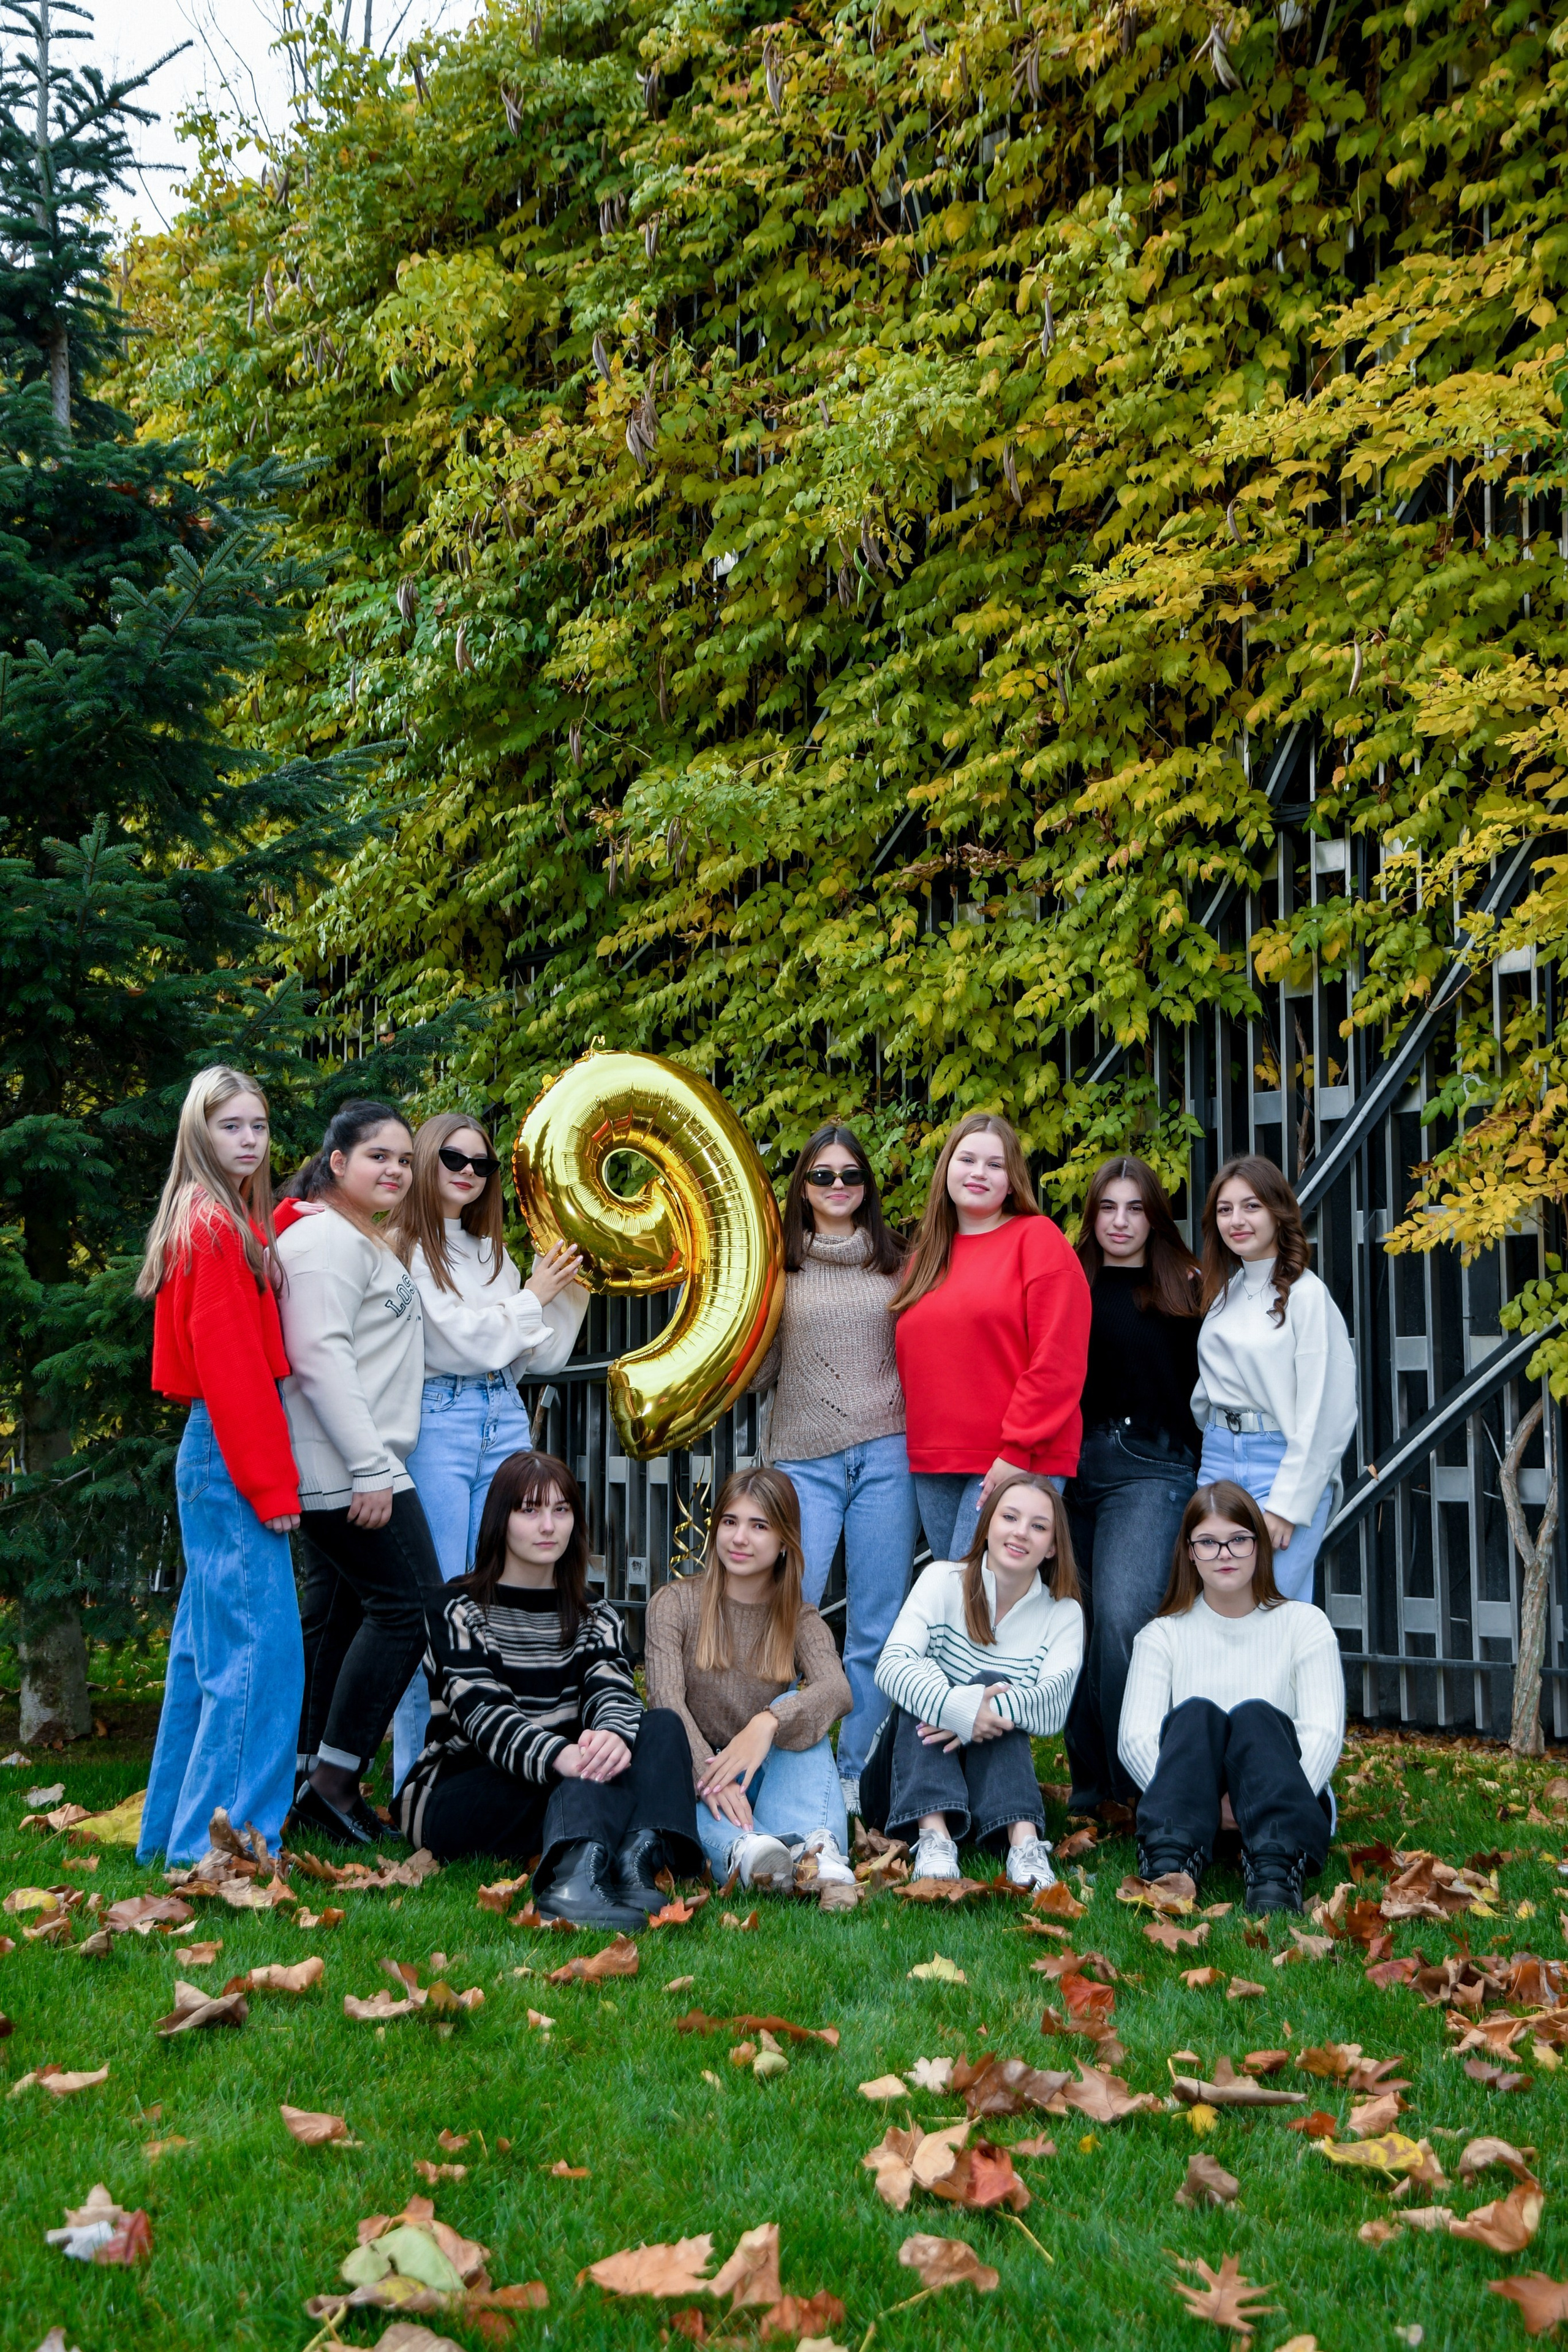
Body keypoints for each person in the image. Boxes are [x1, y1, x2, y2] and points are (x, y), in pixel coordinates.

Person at [398, 1450, 702, 1925]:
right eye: (530, 1510)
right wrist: (565, 1757)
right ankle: (572, 1881)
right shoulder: (455, 1607)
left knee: (660, 1727)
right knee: (588, 1771)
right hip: (464, 1789)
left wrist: (613, 1738)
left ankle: (634, 1864)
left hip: (572, 1776)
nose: (548, 1526)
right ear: (501, 1519)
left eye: (561, 1510)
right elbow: (484, 1715)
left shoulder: (595, 1615)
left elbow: (614, 1690)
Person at [385, 1112, 590, 1792]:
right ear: (424, 1160)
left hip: (504, 1414)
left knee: (502, 1598)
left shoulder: (491, 1254)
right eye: (454, 1158)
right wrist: (532, 1299)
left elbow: (537, 1355)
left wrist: (567, 1291)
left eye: (483, 1164)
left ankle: (494, 1765)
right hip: (438, 1421)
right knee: (439, 1606)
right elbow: (457, 1344)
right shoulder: (405, 1248)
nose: (470, 1172)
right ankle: (418, 1777)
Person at [135, 1067, 303, 1866]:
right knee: (261, 1662)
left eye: (258, 1126)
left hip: (213, 1450)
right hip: (233, 1450)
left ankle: (173, 1841)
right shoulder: (212, 1226)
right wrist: (272, 1487)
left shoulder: (219, 1219)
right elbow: (234, 1368)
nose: (248, 1139)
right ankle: (228, 1852)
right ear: (199, 1133)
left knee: (207, 1658)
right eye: (230, 1126)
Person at [274, 1099, 442, 1847]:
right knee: (412, 1607)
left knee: (342, 1617)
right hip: (347, 1468)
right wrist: (372, 1468)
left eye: (405, 1160)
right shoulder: (320, 1241)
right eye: (380, 1156)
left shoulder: (358, 1239)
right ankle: (336, 1781)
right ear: (337, 1161)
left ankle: (311, 1776)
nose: (397, 1171)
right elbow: (319, 1359)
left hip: (361, 1460)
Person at [749, 1125, 918, 1817]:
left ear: (867, 1188)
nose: (838, 1187)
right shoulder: (775, 1267)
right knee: (782, 1619)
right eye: (823, 1176)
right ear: (803, 1188)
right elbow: (756, 1372)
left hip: (887, 1456)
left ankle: (857, 1776)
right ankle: (775, 1770)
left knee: (878, 1626)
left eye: (851, 1176)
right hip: (801, 1462)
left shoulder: (899, 1265)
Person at [1118, 1480, 1345, 1915]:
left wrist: (1253, 1801)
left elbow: (1324, 1733)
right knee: (1197, 1715)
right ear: (1189, 1551)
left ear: (1259, 1546)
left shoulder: (1304, 1624)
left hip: (1284, 1804)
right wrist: (1202, 1802)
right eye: (1208, 1542)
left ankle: (1276, 1876)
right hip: (1184, 1812)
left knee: (1256, 1717)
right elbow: (1136, 1739)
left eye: (1238, 1540)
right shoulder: (1162, 1634)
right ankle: (1171, 1866)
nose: (1224, 1554)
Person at [1063, 1155, 1201, 1814]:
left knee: (1123, 1621)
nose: (1120, 1222)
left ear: (1154, 1216)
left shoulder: (1189, 1285)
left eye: (1135, 1208)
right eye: (1108, 1208)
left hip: (1151, 1469)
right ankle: (1091, 1788)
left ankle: (1140, 1782)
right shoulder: (1066, 1280)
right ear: (1091, 1214)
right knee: (1077, 1627)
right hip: (1068, 1469)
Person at [644, 1467, 858, 1892]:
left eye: (758, 1526)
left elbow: (838, 1691)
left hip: (772, 1769)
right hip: (702, 1773)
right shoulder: (674, 1603)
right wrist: (712, 1778)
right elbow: (665, 1703)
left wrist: (768, 1723)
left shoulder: (799, 1617)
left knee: (799, 1711)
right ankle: (752, 1855)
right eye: (730, 1522)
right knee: (688, 1770)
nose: (739, 1538)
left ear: (784, 1542)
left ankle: (818, 1852)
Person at [865, 1474, 1084, 1888]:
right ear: (988, 1526)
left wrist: (980, 1710)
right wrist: (958, 1708)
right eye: (1010, 1517)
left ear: (1053, 1546)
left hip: (983, 1781)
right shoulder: (941, 1579)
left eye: (1038, 1526)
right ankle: (934, 1836)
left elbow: (1052, 1705)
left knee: (994, 1683)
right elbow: (891, 1665)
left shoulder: (1063, 1612)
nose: (1021, 1532)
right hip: (897, 1780)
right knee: (924, 1675)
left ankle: (1025, 1844)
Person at [892, 1113, 1091, 1567]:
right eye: (967, 1159)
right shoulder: (926, 1256)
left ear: (1012, 1179)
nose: (979, 1173)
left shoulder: (1037, 1239)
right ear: (946, 1170)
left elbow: (1058, 1358)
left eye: (994, 1165)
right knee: (961, 1593)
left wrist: (1019, 1451)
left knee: (975, 1591)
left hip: (1018, 1455)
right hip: (936, 1460)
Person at [1192, 1156, 1357, 1606]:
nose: (1236, 1220)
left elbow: (1328, 1411)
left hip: (1282, 1463)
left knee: (1273, 1607)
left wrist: (1287, 1503)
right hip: (1219, 1460)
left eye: (1251, 1206)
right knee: (1219, 1610)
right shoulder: (1224, 1292)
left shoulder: (1307, 1295)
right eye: (1225, 1210)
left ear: (1277, 1212)